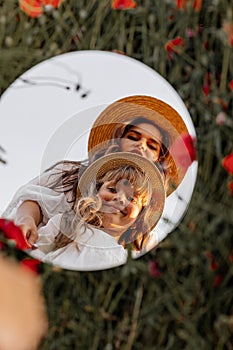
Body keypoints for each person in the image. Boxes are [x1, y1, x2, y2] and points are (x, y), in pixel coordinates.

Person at [3, 95, 191, 250]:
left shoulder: (145, 224)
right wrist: (25, 220)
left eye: (152, 145)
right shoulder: (69, 173)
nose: (141, 145)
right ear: (117, 142)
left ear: (159, 160)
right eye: (133, 137)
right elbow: (35, 198)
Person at [29, 152, 165, 271]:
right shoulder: (65, 224)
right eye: (112, 189)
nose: (119, 198)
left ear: (139, 217)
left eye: (131, 198)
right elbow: (36, 253)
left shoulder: (129, 258)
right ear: (95, 194)